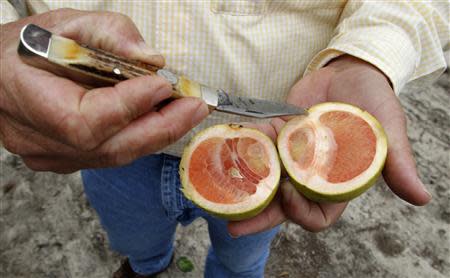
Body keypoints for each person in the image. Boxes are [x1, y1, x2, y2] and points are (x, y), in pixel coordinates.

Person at [1, 1, 448, 277]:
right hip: (108, 150)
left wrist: (367, 56)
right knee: (136, 240)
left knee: (241, 259)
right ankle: (147, 267)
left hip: (271, 149)